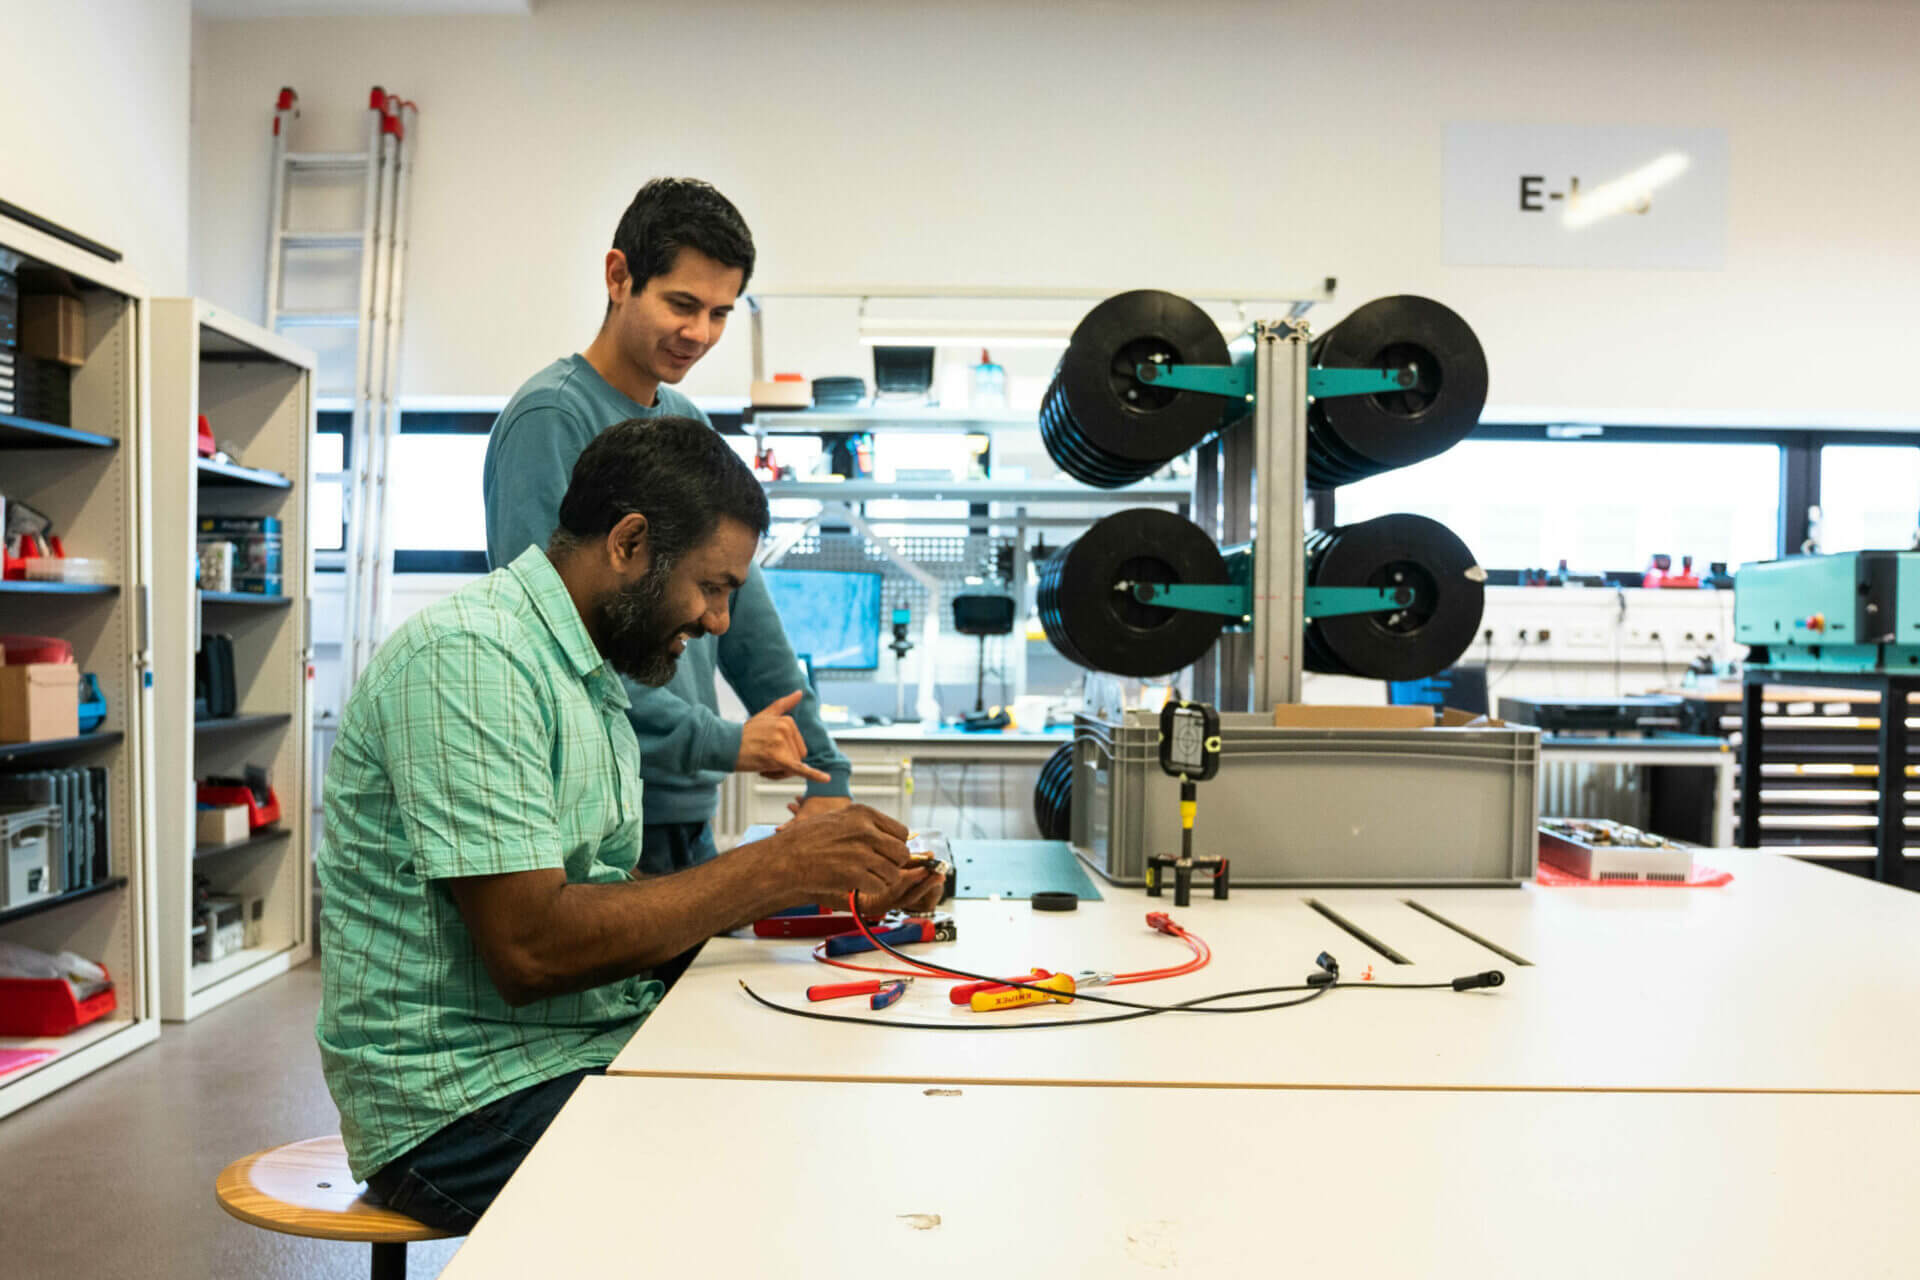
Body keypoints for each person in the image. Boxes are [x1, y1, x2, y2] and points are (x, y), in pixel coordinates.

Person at [318, 417, 942, 1232]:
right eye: (711, 586)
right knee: (787, 1176)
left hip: (565, 1047)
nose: (719, 621)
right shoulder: (472, 658)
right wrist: (772, 868)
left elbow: (599, 892)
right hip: (462, 1104)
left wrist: (813, 891)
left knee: (822, 1081)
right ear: (630, 542)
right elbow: (530, 947)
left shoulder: (582, 670)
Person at [484, 177, 848, 881]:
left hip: (683, 810)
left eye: (719, 312)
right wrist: (721, 740)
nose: (700, 333)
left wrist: (823, 768)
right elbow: (551, 649)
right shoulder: (550, 421)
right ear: (619, 277)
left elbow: (743, 606)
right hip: (598, 812)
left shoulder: (685, 421)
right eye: (682, 304)